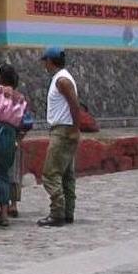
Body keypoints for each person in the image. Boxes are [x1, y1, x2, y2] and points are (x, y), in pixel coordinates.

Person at [37, 47, 82, 228]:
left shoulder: (62, 80)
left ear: (50, 61)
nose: (44, 65)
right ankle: (67, 212)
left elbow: (74, 105)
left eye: (45, 61)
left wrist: (75, 129)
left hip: (62, 131)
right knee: (67, 175)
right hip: (65, 129)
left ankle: (57, 212)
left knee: (50, 173)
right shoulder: (62, 77)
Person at [0, 63, 27, 227]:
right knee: (4, 173)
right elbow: (25, 121)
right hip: (10, 135)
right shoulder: (20, 98)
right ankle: (5, 213)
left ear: (0, 77)